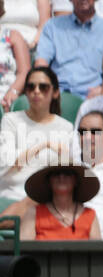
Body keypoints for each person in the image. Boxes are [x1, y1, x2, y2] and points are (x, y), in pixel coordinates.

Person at [0, 68, 74, 206]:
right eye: (30, 86)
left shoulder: (66, 127)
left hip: (48, 198)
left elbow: (67, 168)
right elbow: (6, 161)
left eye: (43, 87)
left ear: (55, 93)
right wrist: (42, 146)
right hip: (13, 194)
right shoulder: (10, 120)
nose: (36, 91)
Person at [19, 155, 102, 241]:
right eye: (56, 174)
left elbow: (98, 252)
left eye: (67, 174)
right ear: (49, 181)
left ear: (75, 181)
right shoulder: (34, 213)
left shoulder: (89, 214)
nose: (61, 177)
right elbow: (23, 249)